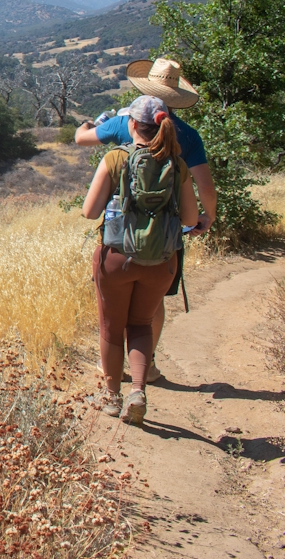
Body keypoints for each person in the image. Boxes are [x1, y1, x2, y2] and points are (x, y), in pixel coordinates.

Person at [75, 57, 217, 382]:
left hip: (119, 243)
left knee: (112, 319)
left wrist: (86, 125)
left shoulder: (121, 125)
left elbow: (81, 140)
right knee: (149, 310)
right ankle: (147, 368)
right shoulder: (188, 137)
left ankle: (113, 377)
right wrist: (207, 218)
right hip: (164, 242)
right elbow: (205, 187)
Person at [82, 94, 199, 425]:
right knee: (141, 324)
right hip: (161, 260)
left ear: (131, 124)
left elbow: (89, 211)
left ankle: (110, 396)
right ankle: (138, 390)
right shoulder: (178, 165)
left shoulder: (116, 159)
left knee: (111, 326)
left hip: (116, 257)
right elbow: (190, 217)